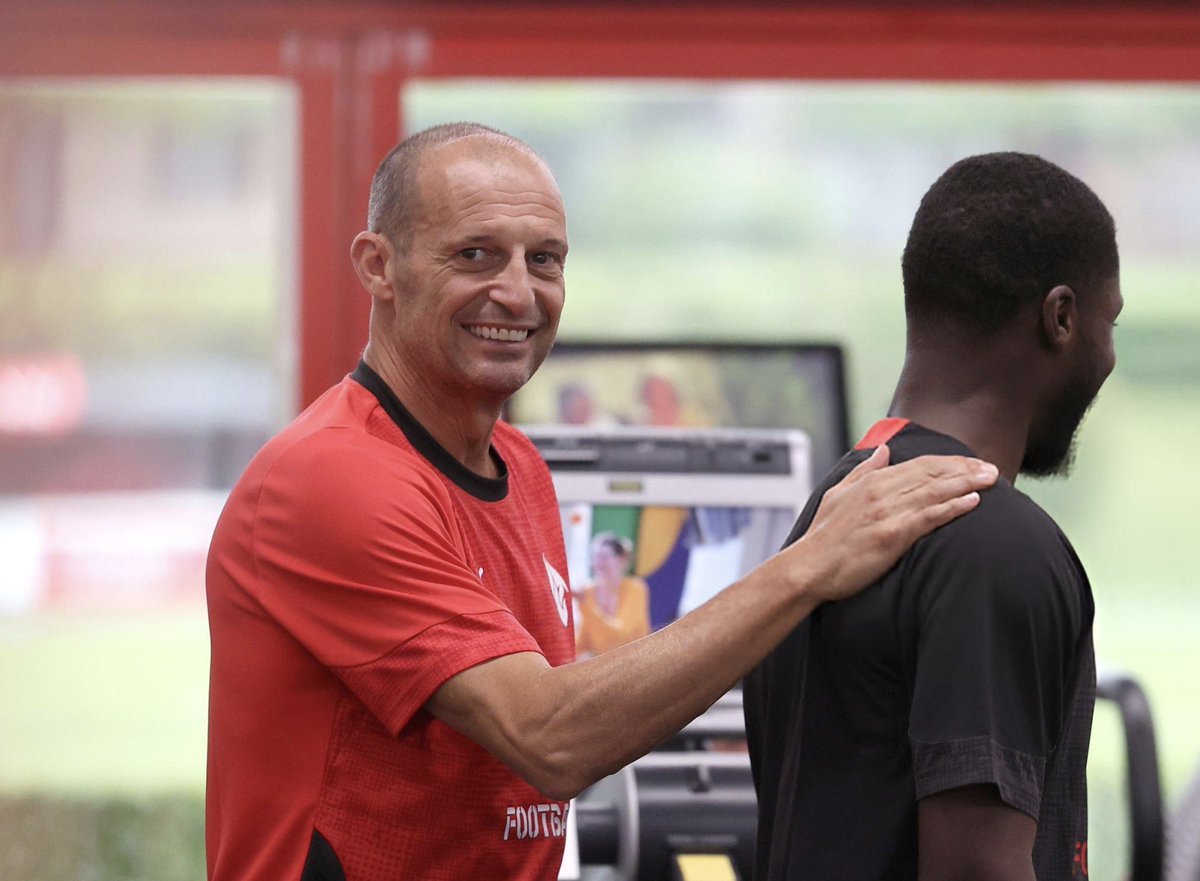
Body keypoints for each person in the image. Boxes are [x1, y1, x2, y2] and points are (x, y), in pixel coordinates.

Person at [204, 122, 998, 881]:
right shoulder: (332, 479)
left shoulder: (522, 466)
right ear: (378, 264)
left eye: (544, 260)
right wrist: (807, 567)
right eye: (476, 255)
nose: (517, 293)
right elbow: (550, 737)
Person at [744, 151, 1122, 881]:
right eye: (1109, 322)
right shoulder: (992, 542)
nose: (1108, 355)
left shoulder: (833, 509)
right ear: (1062, 317)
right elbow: (977, 871)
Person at [575, 532, 651, 657]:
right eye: (595, 556)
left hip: (636, 661)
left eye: (604, 557)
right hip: (605, 665)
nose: (598, 562)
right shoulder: (588, 591)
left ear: (621, 559)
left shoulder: (636, 588)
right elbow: (584, 642)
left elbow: (621, 636)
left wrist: (585, 606)